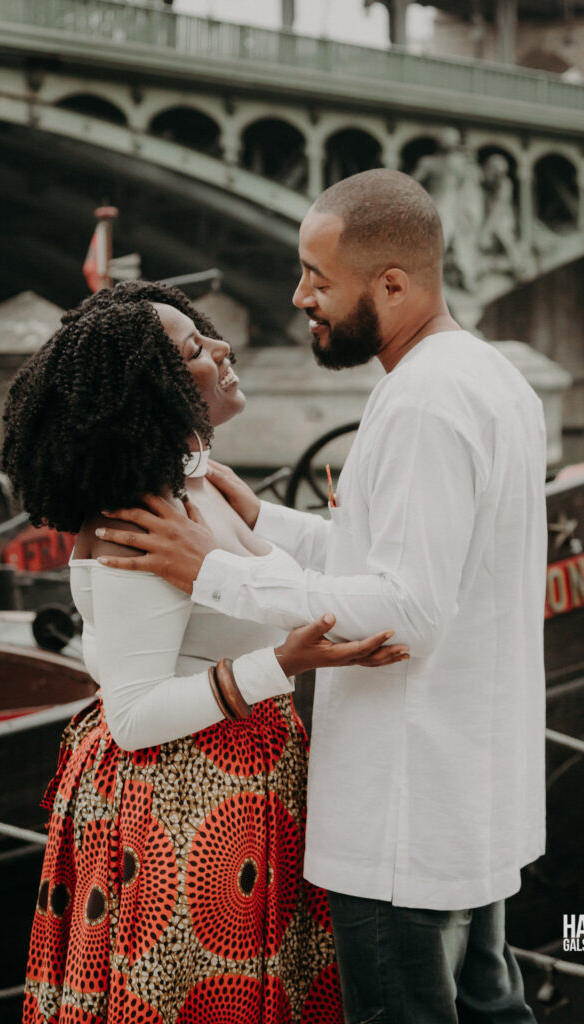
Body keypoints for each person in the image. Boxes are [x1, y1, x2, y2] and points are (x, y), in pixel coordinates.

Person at [97, 170, 548, 1023]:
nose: (299, 294)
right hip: (466, 806)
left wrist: (214, 572)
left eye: (317, 276)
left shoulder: (420, 402)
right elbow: (408, 561)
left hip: (400, 819)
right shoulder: (488, 380)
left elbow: (409, 610)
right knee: (493, 1010)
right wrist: (264, 520)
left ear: (391, 284)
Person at [1, 279, 410, 1024]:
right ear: (148, 391)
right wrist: (281, 666)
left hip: (246, 785)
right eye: (194, 349)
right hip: (178, 808)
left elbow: (287, 591)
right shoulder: (137, 520)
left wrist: (347, 637)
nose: (221, 349)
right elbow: (130, 716)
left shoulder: (205, 488)